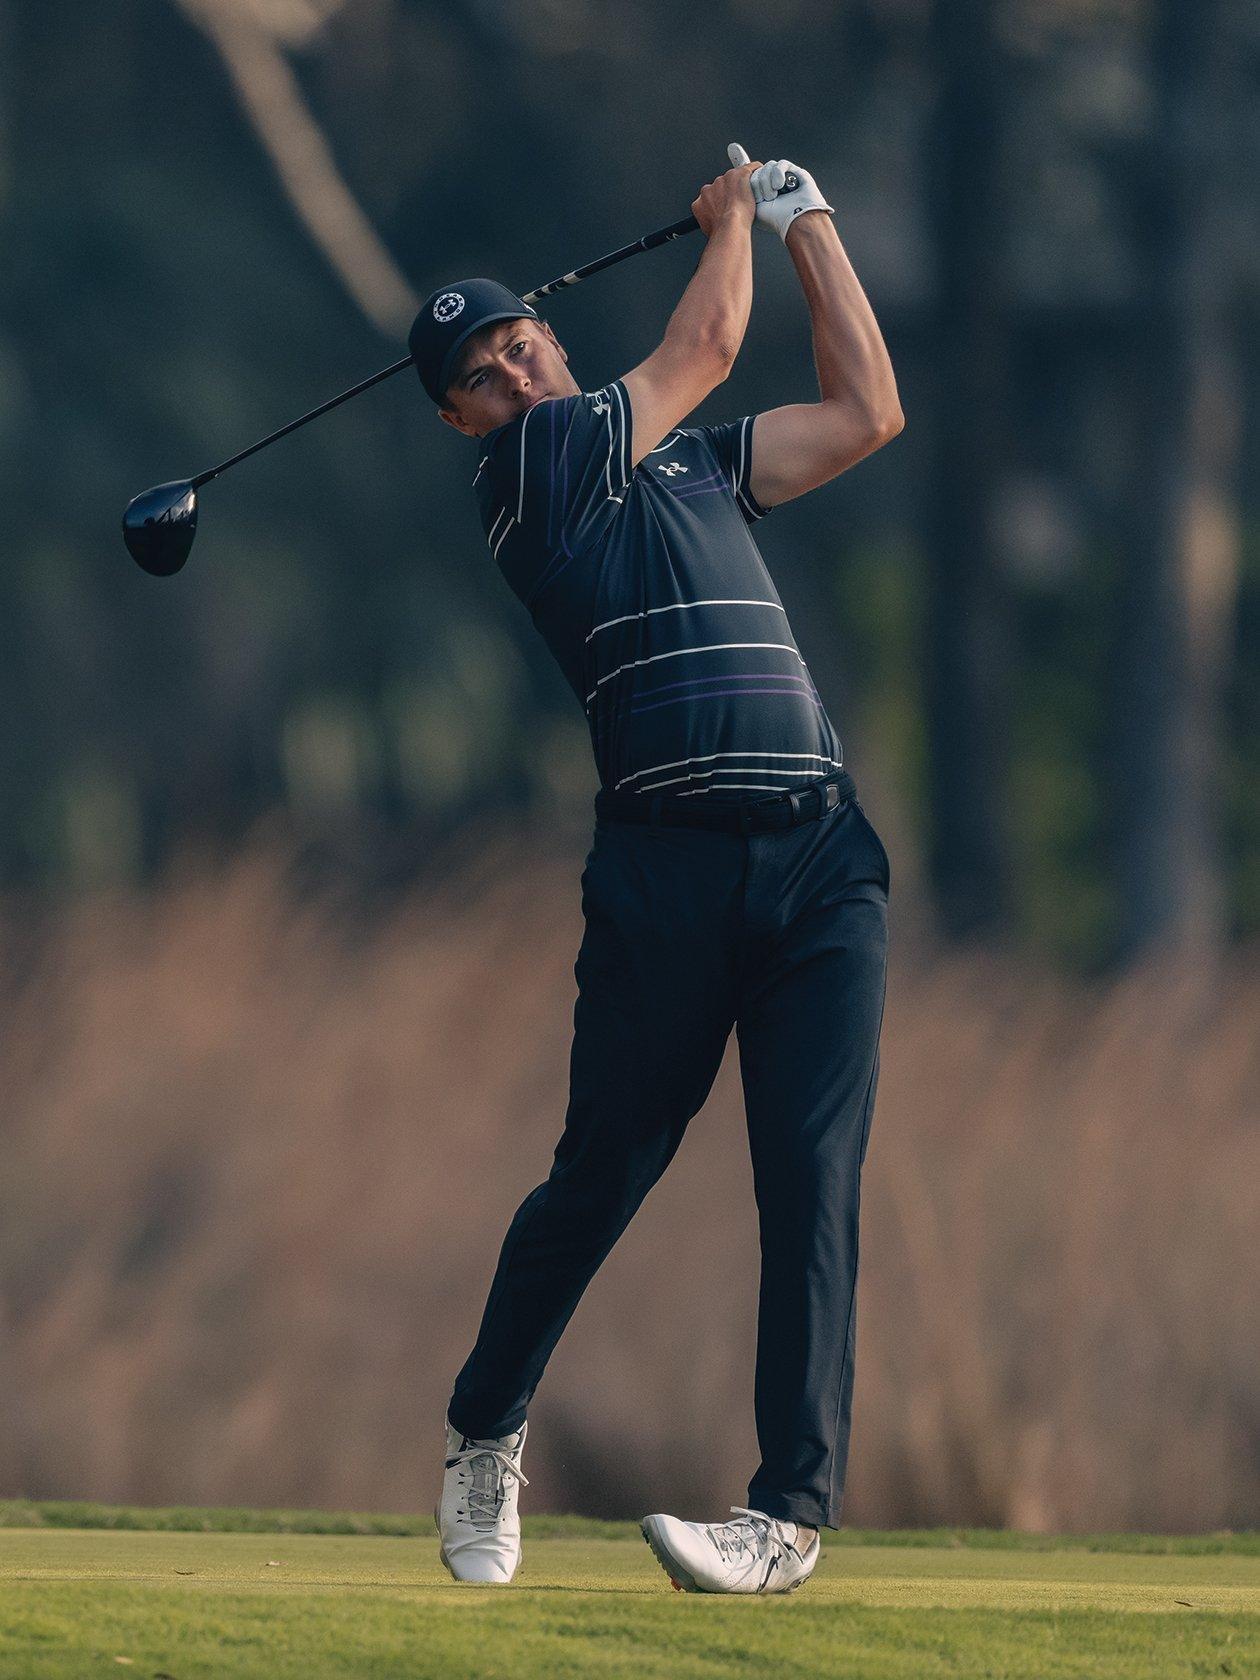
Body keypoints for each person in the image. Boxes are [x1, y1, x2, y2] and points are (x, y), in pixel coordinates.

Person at [407, 144, 901, 1595]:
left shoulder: (685, 462)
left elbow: (870, 411)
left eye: (523, 341)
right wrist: (733, 217)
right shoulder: (534, 474)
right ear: (461, 419)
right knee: (603, 1174)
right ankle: (484, 1430)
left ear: (556, 334)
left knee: (813, 1178)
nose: (517, 371)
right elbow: (708, 341)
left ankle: (787, 1516)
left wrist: (810, 227)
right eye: (485, 372)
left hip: (821, 858)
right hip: (666, 875)